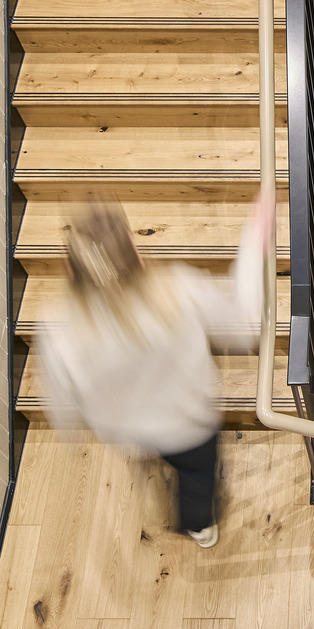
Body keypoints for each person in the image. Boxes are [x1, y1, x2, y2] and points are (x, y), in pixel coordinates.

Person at [41, 189, 273, 546]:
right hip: (188, 427)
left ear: (71, 269)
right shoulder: (179, 293)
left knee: (162, 455)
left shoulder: (59, 331)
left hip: (125, 430)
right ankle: (200, 526)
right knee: (198, 475)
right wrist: (255, 239)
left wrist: (72, 433)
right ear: (135, 253)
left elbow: (61, 403)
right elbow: (244, 330)